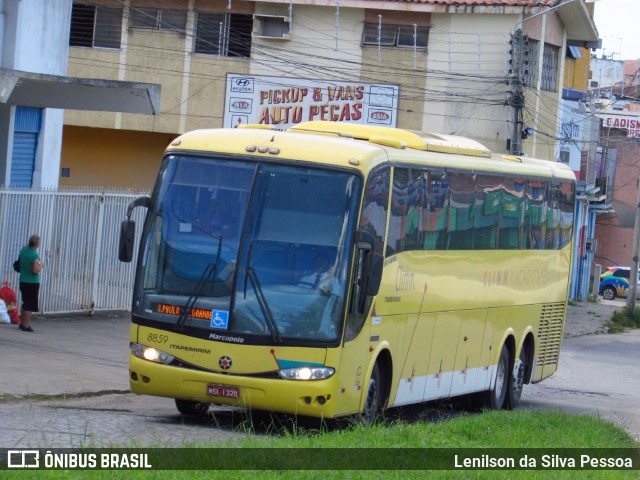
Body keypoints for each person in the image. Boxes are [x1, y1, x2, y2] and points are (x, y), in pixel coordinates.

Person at [18, 234, 44, 332]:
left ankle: (22, 322)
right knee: (29, 304)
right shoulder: (35, 255)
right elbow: (34, 270)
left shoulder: (23, 250)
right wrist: (41, 266)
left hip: (23, 280)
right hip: (32, 282)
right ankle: (26, 325)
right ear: (37, 244)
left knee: (25, 302)